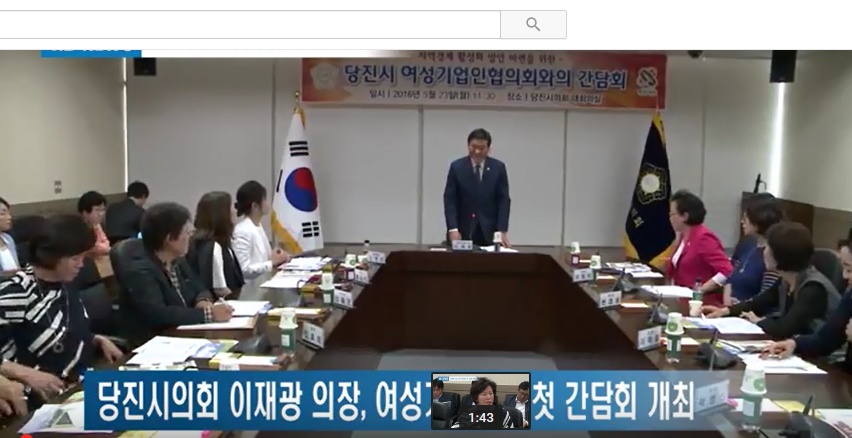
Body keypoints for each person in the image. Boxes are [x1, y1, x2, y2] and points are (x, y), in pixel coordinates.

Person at [0, 215, 124, 400]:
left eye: (83, 257)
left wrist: (96, 339)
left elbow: (63, 327)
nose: (81, 264)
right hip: (44, 396)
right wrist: (26, 374)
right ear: (51, 257)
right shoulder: (17, 291)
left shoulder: (64, 283)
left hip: (82, 382)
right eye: (75, 258)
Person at [701, 222, 840, 339]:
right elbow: (759, 303)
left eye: (768, 247)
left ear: (780, 255)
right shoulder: (786, 280)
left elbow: (785, 328)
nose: (763, 252)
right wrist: (725, 311)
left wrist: (758, 321)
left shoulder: (813, 288)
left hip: (825, 357)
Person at [118, 203, 233, 343]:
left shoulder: (177, 260)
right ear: (170, 239)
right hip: (155, 341)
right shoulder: (139, 271)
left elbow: (199, 286)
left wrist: (202, 300)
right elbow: (159, 314)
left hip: (184, 334)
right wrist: (209, 314)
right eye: (187, 232)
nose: (190, 237)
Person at [763, 239, 852, 371]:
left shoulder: (813, 286)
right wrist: (794, 344)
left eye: (849, 269)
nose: (844, 276)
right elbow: (826, 339)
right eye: (844, 268)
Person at [443, 128, 511, 248]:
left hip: (490, 230)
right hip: (463, 230)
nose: (477, 151)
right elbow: (450, 200)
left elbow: (503, 200)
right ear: (468, 146)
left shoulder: (498, 168)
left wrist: (502, 229)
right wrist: (453, 228)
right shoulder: (457, 167)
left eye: (481, 148)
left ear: (488, 149)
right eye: (473, 147)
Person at [667, 190, 732, 307]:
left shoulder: (704, 238)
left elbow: (727, 271)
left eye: (672, 214)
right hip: (681, 300)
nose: (669, 218)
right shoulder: (684, 236)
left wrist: (701, 290)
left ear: (685, 216)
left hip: (701, 303)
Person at [232, 181, 290, 300]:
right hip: (250, 295)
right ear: (255, 206)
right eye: (264, 200)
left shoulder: (257, 226)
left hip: (263, 290)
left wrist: (277, 257)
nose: (267, 204)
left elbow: (261, 258)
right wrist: (272, 263)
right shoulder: (242, 231)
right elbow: (243, 269)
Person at [723, 195, 783, 305]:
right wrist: (727, 301)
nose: (742, 222)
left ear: (757, 222)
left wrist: (740, 306)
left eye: (745, 218)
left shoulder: (772, 255)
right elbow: (731, 276)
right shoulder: (747, 245)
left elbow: (767, 298)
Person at [188, 192, 244, 298]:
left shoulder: (221, 243)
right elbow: (219, 289)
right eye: (231, 207)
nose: (235, 211)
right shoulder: (212, 247)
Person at [77, 191, 110, 256]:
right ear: (85, 212)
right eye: (97, 210)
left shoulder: (96, 225)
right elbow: (90, 249)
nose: (101, 214)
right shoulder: (77, 228)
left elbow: (106, 243)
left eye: (103, 210)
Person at [0, 197, 19, 276]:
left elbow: (17, 267)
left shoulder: (8, 239)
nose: (9, 217)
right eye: (3, 214)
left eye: (9, 213)